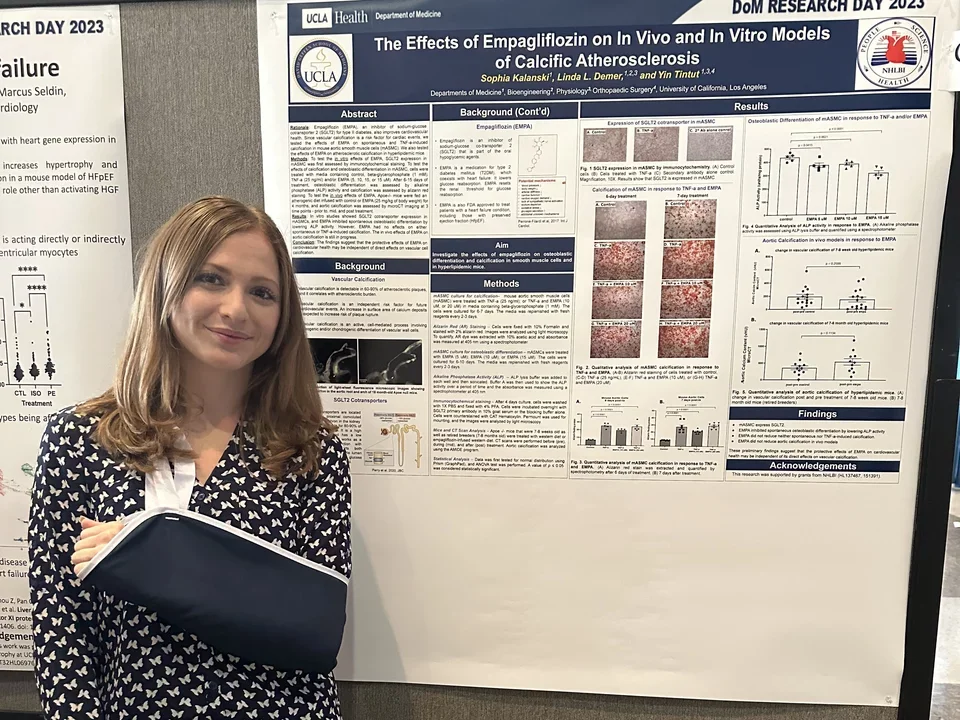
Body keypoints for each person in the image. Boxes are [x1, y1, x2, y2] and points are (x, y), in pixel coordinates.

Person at [28, 196, 351, 719]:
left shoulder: (307, 450)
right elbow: (63, 638)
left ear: (282, 316)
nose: (236, 309)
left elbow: (314, 631)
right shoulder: (81, 439)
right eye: (212, 279)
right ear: (166, 285)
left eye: (262, 293)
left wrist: (150, 553)